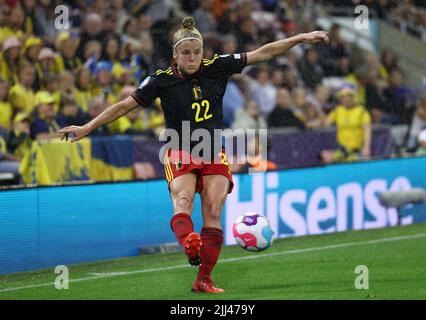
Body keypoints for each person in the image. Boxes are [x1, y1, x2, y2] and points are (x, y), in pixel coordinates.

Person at [58, 16, 329, 294]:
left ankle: (204, 279)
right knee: (183, 200)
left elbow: (262, 53)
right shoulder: (160, 81)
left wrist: (300, 37)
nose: (192, 57)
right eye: (186, 52)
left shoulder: (217, 67)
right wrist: (88, 126)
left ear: (203, 52)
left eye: (196, 52)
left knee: (213, 212)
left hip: (213, 150)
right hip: (179, 148)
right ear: (175, 54)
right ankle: (189, 241)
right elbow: (124, 106)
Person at [321, 87, 372, 164]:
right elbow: (325, 123)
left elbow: (367, 130)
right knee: (326, 156)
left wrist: (366, 147)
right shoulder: (338, 110)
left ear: (354, 97)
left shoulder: (362, 111)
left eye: (349, 96)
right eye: (343, 97)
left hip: (356, 148)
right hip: (342, 148)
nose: (346, 99)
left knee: (356, 161)